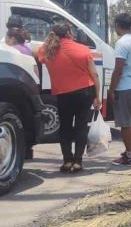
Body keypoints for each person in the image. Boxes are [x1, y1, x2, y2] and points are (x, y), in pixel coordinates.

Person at [37, 23, 101, 173]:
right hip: (84, 92)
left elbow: (36, 53)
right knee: (81, 126)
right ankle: (78, 162)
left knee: (65, 127)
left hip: (63, 94)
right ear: (69, 34)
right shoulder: (83, 49)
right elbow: (94, 74)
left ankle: (67, 161)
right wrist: (97, 96)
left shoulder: (46, 50)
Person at [109, 13, 131, 166]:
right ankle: (129, 151)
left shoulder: (122, 42)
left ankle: (130, 156)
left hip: (124, 87)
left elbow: (118, 69)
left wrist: (111, 89)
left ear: (118, 25)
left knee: (125, 124)